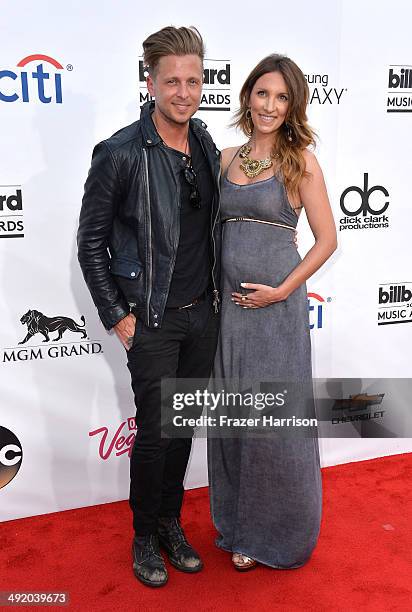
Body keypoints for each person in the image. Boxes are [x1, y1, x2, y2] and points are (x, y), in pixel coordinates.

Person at [77, 26, 221, 588]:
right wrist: (117, 313)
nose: (184, 92)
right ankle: (143, 535)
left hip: (201, 316)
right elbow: (92, 244)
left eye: (193, 80)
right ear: (150, 82)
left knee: (183, 430)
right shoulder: (119, 154)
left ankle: (169, 523)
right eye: (172, 82)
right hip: (153, 319)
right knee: (157, 435)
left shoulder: (206, 143)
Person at [208, 54, 337, 571]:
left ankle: (274, 536)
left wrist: (282, 291)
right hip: (228, 315)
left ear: (293, 105)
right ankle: (237, 527)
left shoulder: (299, 160)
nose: (270, 105)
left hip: (274, 315)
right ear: (247, 96)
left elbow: (327, 241)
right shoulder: (225, 158)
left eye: (282, 97)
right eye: (263, 93)